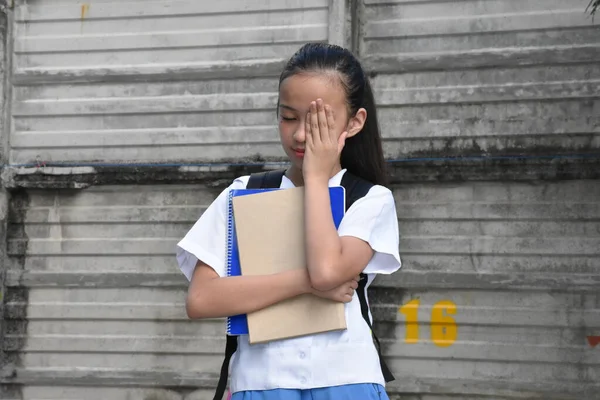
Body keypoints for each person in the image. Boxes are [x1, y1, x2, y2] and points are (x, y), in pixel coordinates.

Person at [176, 42, 401, 400]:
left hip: (347, 380)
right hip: (262, 380)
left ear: (355, 122)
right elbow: (201, 299)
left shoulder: (369, 199)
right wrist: (306, 285)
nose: (299, 135)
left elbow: (329, 271)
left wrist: (314, 178)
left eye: (317, 121)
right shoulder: (243, 193)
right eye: (288, 117)